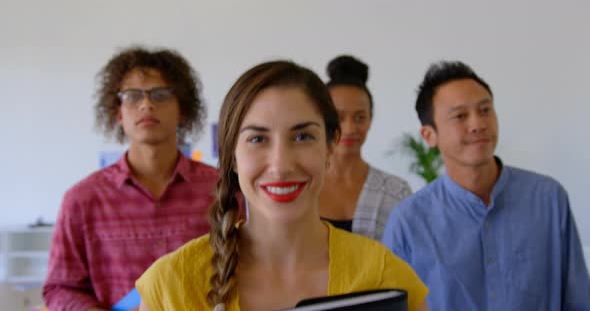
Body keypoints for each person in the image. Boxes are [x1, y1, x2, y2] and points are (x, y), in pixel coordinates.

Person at [136, 61, 429, 311]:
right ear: (232, 156)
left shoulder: (386, 277)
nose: (280, 164)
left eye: (302, 137)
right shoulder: (171, 287)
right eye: (257, 139)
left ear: (330, 146)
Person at [382, 61, 590, 310]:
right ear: (430, 135)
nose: (478, 124)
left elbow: (578, 299)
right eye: (460, 116)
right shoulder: (408, 221)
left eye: (485, 110)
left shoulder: (547, 198)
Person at [43, 47, 219, 310]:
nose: (146, 104)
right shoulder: (82, 200)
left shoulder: (222, 190)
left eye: (160, 94)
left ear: (182, 109)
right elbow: (60, 288)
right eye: (132, 96)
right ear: (118, 114)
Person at [319, 55, 412, 240]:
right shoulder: (302, 185)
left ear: (370, 120)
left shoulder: (396, 192)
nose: (349, 128)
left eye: (360, 117)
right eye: (339, 117)